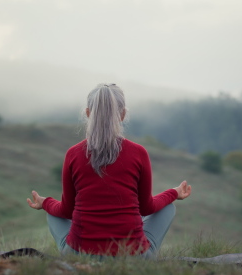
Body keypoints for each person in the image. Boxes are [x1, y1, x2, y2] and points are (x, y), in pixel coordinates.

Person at [27, 83, 191, 258]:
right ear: (123, 115)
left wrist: (45, 203)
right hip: (134, 256)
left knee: (53, 213)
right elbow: (147, 208)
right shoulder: (138, 153)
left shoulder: (73, 154)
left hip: (80, 254)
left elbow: (66, 211)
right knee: (168, 208)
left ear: (88, 113)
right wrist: (173, 193)